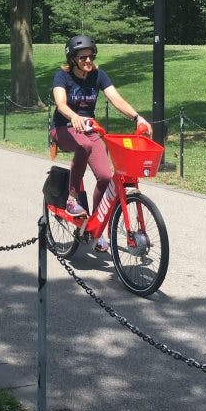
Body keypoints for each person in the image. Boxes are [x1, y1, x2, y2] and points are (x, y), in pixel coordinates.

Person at [51, 35, 152, 251]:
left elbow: (116, 99)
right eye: (83, 57)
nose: (88, 60)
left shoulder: (98, 75)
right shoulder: (62, 76)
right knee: (84, 146)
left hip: (90, 130)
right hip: (63, 128)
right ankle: (70, 198)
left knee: (106, 177)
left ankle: (96, 227)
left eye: (91, 56)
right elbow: (60, 103)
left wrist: (137, 117)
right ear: (72, 59)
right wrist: (73, 116)